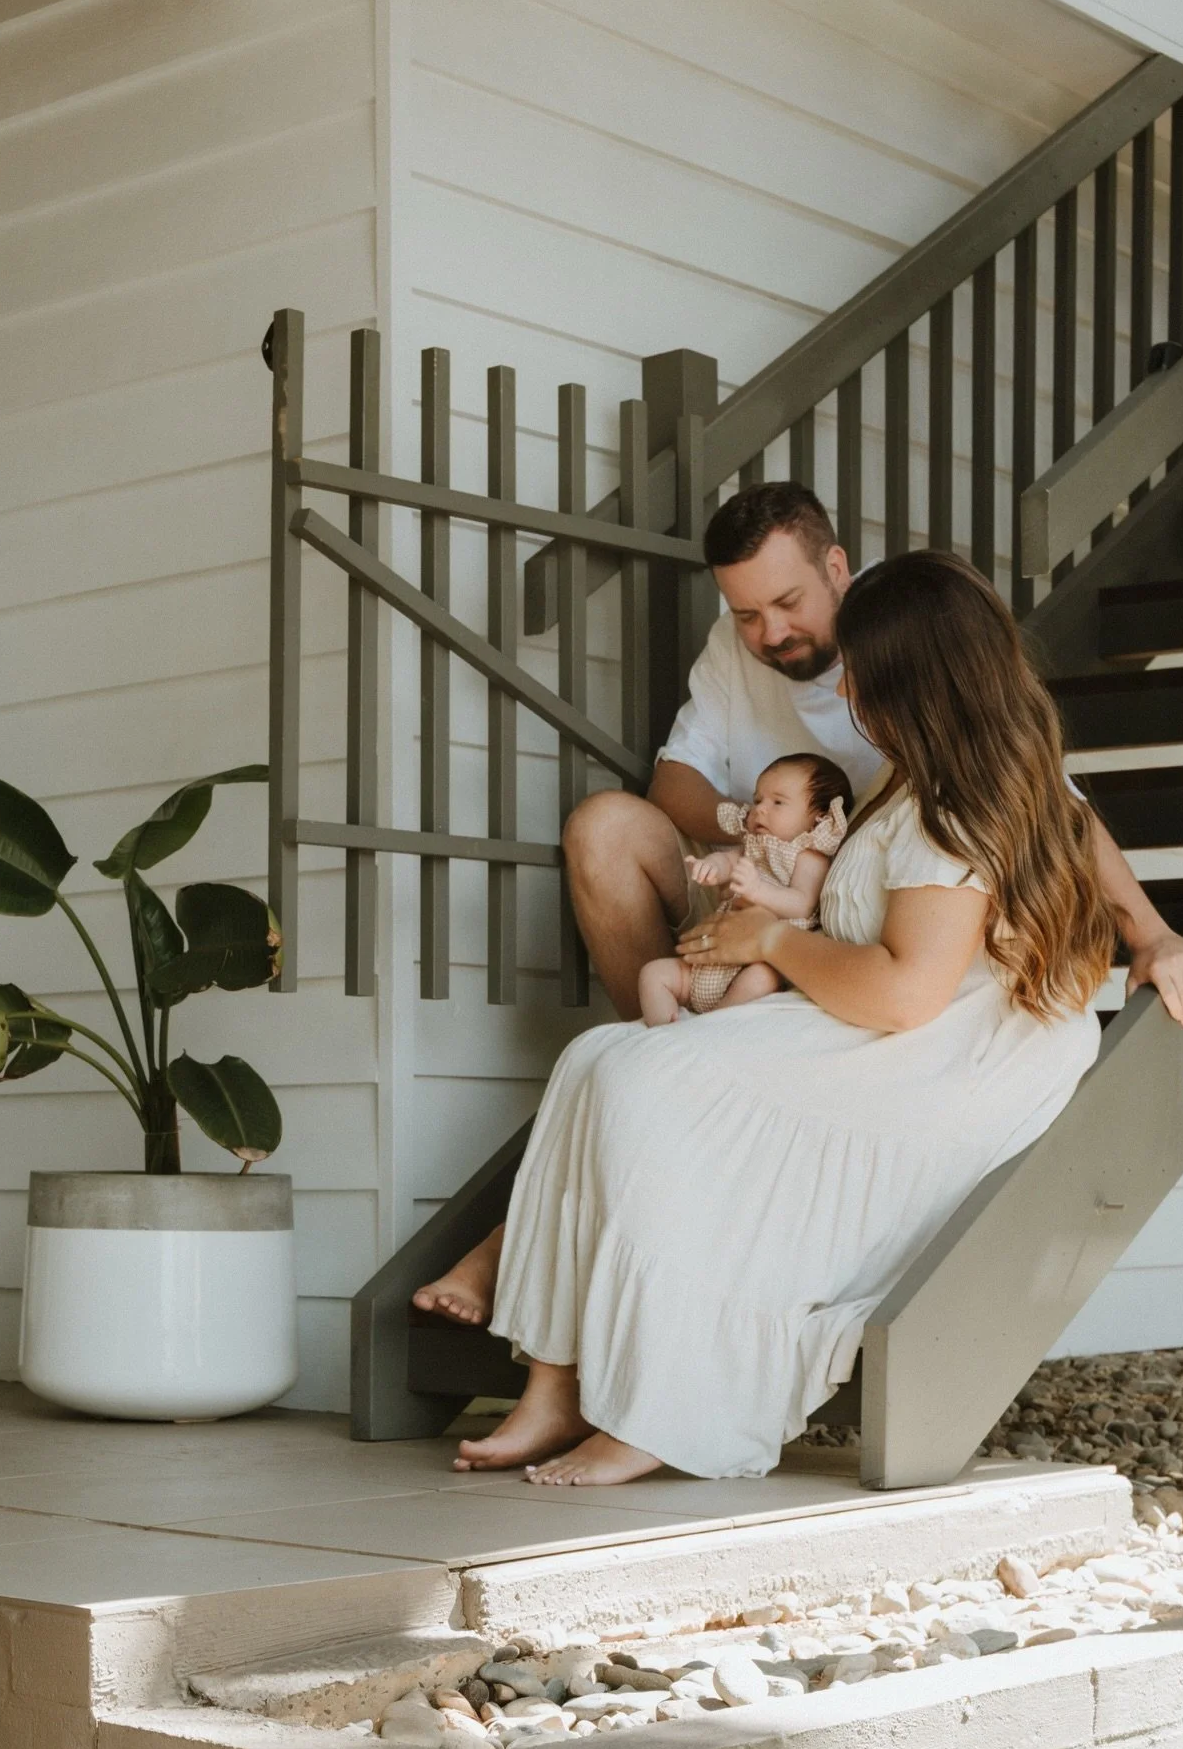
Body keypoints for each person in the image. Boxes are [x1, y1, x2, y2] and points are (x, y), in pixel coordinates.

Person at [411, 482, 1183, 1325]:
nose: (770, 634)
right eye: (746, 613)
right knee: (604, 828)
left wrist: (1150, 931)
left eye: (786, 604)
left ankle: (669, 1106)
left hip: (850, 924)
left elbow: (1050, 805)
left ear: (836, 568)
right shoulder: (737, 646)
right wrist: (752, 829)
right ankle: (678, 1054)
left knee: (656, 1079)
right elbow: (672, 779)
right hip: (755, 881)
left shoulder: (906, 652)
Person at [452, 551, 1117, 1484]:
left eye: (865, 671)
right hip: (885, 1026)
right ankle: (555, 1386)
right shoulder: (918, 780)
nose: (846, 685)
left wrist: (765, 942)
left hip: (942, 1055)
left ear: (916, 682)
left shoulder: (956, 808)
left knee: (646, 1083)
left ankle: (660, 1407)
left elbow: (905, 993)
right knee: (601, 1060)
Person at [639, 752, 851, 1025]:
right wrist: (711, 867)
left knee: (763, 978)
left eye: (778, 802)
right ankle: (663, 1033)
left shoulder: (808, 855)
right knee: (653, 974)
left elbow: (803, 903)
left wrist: (757, 890)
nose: (760, 808)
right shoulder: (754, 845)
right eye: (758, 800)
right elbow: (729, 860)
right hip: (709, 963)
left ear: (818, 818)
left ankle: (706, 1027)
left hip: (753, 965)